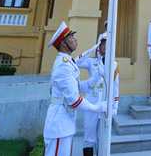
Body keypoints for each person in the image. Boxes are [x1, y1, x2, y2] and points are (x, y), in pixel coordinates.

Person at [43, 21, 107, 156]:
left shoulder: (68, 62)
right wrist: (95, 108)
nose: (75, 39)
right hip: (59, 124)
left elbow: (77, 87)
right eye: (71, 37)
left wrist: (93, 80)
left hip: (65, 122)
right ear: (64, 43)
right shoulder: (63, 65)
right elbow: (73, 99)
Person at [76, 32, 119, 156]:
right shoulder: (91, 61)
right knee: (89, 137)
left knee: (103, 137)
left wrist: (115, 106)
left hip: (106, 103)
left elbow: (115, 87)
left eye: (107, 43)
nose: (105, 46)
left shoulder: (114, 64)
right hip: (92, 102)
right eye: (102, 43)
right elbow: (76, 62)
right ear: (99, 46)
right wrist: (90, 50)